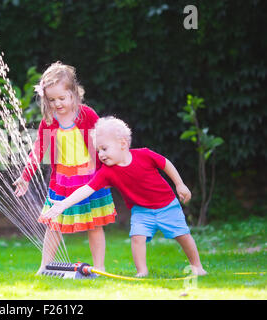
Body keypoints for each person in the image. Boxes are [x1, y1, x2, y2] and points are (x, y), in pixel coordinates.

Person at [43, 116, 207, 277]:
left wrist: (179, 184)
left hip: (167, 206)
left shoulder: (144, 155)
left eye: (104, 149)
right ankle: (142, 271)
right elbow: (87, 189)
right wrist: (64, 204)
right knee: (137, 238)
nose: (100, 154)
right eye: (98, 150)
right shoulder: (106, 172)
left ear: (122, 144)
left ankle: (197, 266)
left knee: (182, 236)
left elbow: (165, 163)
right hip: (142, 211)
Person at [13, 62, 117, 274]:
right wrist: (25, 176)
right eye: (51, 100)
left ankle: (99, 267)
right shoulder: (49, 121)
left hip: (90, 179)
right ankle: (44, 267)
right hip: (63, 181)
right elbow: (38, 149)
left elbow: (103, 137)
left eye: (62, 98)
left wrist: (114, 161)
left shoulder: (86, 114)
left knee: (95, 225)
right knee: (54, 225)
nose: (57, 103)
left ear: (74, 94)